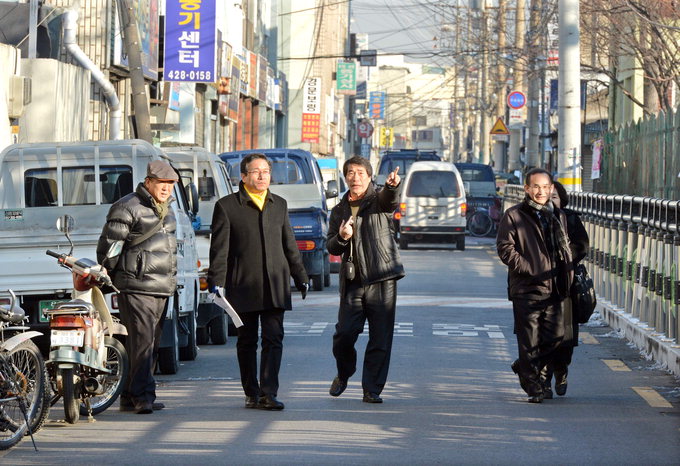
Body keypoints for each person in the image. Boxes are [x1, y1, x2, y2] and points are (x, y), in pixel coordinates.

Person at [207, 153, 308, 411]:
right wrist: (216, 283)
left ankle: (269, 393)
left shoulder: (279, 204)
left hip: (275, 285)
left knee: (274, 338)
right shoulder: (228, 206)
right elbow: (219, 250)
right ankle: (251, 392)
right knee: (247, 341)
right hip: (244, 285)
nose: (262, 176)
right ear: (243, 177)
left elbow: (289, 245)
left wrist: (301, 276)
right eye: (255, 171)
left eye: (265, 171)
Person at [96, 160, 180, 414]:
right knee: (142, 342)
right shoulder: (127, 206)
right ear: (148, 182)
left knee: (151, 343)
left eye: (170, 184)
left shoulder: (168, 209)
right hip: (135, 284)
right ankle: (142, 397)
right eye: (161, 183)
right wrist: (108, 269)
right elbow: (110, 246)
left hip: (162, 286)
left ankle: (133, 395)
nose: (166, 189)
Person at [327, 156, 405, 404]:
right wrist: (341, 236)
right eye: (350, 172)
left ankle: (372, 389)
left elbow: (390, 200)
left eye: (360, 173)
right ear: (345, 177)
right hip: (353, 282)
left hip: (382, 277)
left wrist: (392, 187)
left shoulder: (377, 200)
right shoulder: (338, 210)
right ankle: (343, 373)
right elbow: (331, 246)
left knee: (380, 337)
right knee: (344, 336)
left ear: (369, 176)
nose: (355, 177)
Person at [496, 168, 574, 403]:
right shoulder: (514, 215)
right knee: (529, 339)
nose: (541, 192)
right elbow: (504, 248)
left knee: (556, 337)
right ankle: (533, 388)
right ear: (527, 189)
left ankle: (523, 365)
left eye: (545, 187)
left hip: (556, 286)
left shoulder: (557, 215)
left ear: (552, 188)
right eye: (536, 187)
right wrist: (530, 268)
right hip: (527, 288)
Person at [543, 181, 589, 397]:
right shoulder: (532, 219)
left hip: (565, 284)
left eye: (554, 198)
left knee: (565, 337)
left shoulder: (570, 218)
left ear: (562, 200)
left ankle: (561, 370)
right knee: (541, 335)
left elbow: (582, 246)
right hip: (540, 284)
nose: (549, 201)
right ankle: (543, 379)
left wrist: (564, 260)